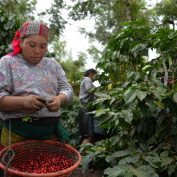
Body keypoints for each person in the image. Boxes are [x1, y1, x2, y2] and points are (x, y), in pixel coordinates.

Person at [0, 21, 73, 146]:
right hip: (17, 135)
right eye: (32, 45)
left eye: (43, 46)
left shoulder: (52, 64)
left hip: (50, 135)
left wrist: (60, 99)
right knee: (17, 164)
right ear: (21, 42)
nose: (37, 51)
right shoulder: (8, 62)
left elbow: (67, 89)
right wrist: (23, 102)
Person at [79, 69, 106, 144]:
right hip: (85, 109)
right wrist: (103, 96)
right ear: (91, 73)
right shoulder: (87, 80)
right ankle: (84, 154)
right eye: (95, 75)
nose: (96, 77)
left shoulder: (88, 81)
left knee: (88, 134)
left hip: (86, 109)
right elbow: (90, 90)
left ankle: (86, 152)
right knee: (88, 135)